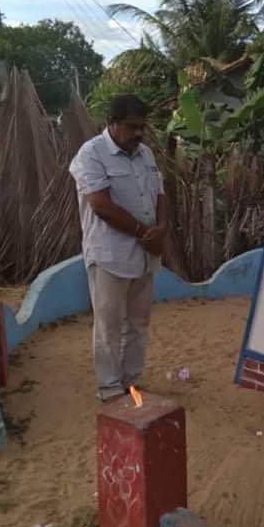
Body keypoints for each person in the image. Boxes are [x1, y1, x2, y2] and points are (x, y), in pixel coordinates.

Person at [69, 94, 167, 401]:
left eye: (142, 127)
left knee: (138, 323)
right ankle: (110, 388)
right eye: (131, 127)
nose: (139, 133)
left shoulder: (145, 154)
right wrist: (143, 232)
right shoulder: (91, 154)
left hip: (145, 254)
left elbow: (160, 194)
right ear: (111, 123)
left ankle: (131, 381)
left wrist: (162, 228)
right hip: (109, 255)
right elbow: (100, 204)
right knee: (108, 326)